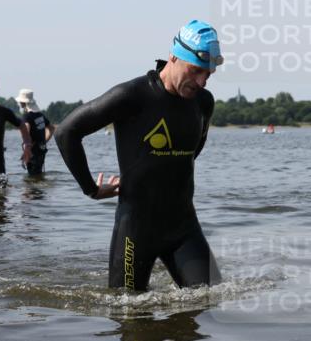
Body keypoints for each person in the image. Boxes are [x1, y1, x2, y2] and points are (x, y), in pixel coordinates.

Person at [55, 19, 221, 292]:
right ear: (174, 57)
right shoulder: (132, 96)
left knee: (211, 303)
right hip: (136, 231)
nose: (202, 81)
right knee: (130, 317)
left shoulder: (203, 102)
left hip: (184, 226)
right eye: (196, 71)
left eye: (208, 74)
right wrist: (91, 189)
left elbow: (192, 153)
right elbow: (67, 132)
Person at [15, 89, 54, 176]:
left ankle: (31, 189)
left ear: (23, 102)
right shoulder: (40, 115)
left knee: (32, 178)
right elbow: (51, 128)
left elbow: (26, 131)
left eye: (20, 101)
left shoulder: (27, 116)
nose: (19, 103)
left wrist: (26, 151)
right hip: (42, 150)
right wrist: (44, 141)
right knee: (38, 175)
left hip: (32, 152)